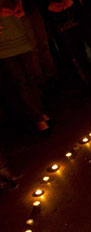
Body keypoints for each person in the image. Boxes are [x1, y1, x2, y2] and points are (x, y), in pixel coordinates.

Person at [0, 0, 52, 134]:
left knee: (32, 77)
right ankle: (38, 117)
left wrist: (19, 6)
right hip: (3, 45)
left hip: (21, 33)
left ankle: (39, 111)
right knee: (20, 82)